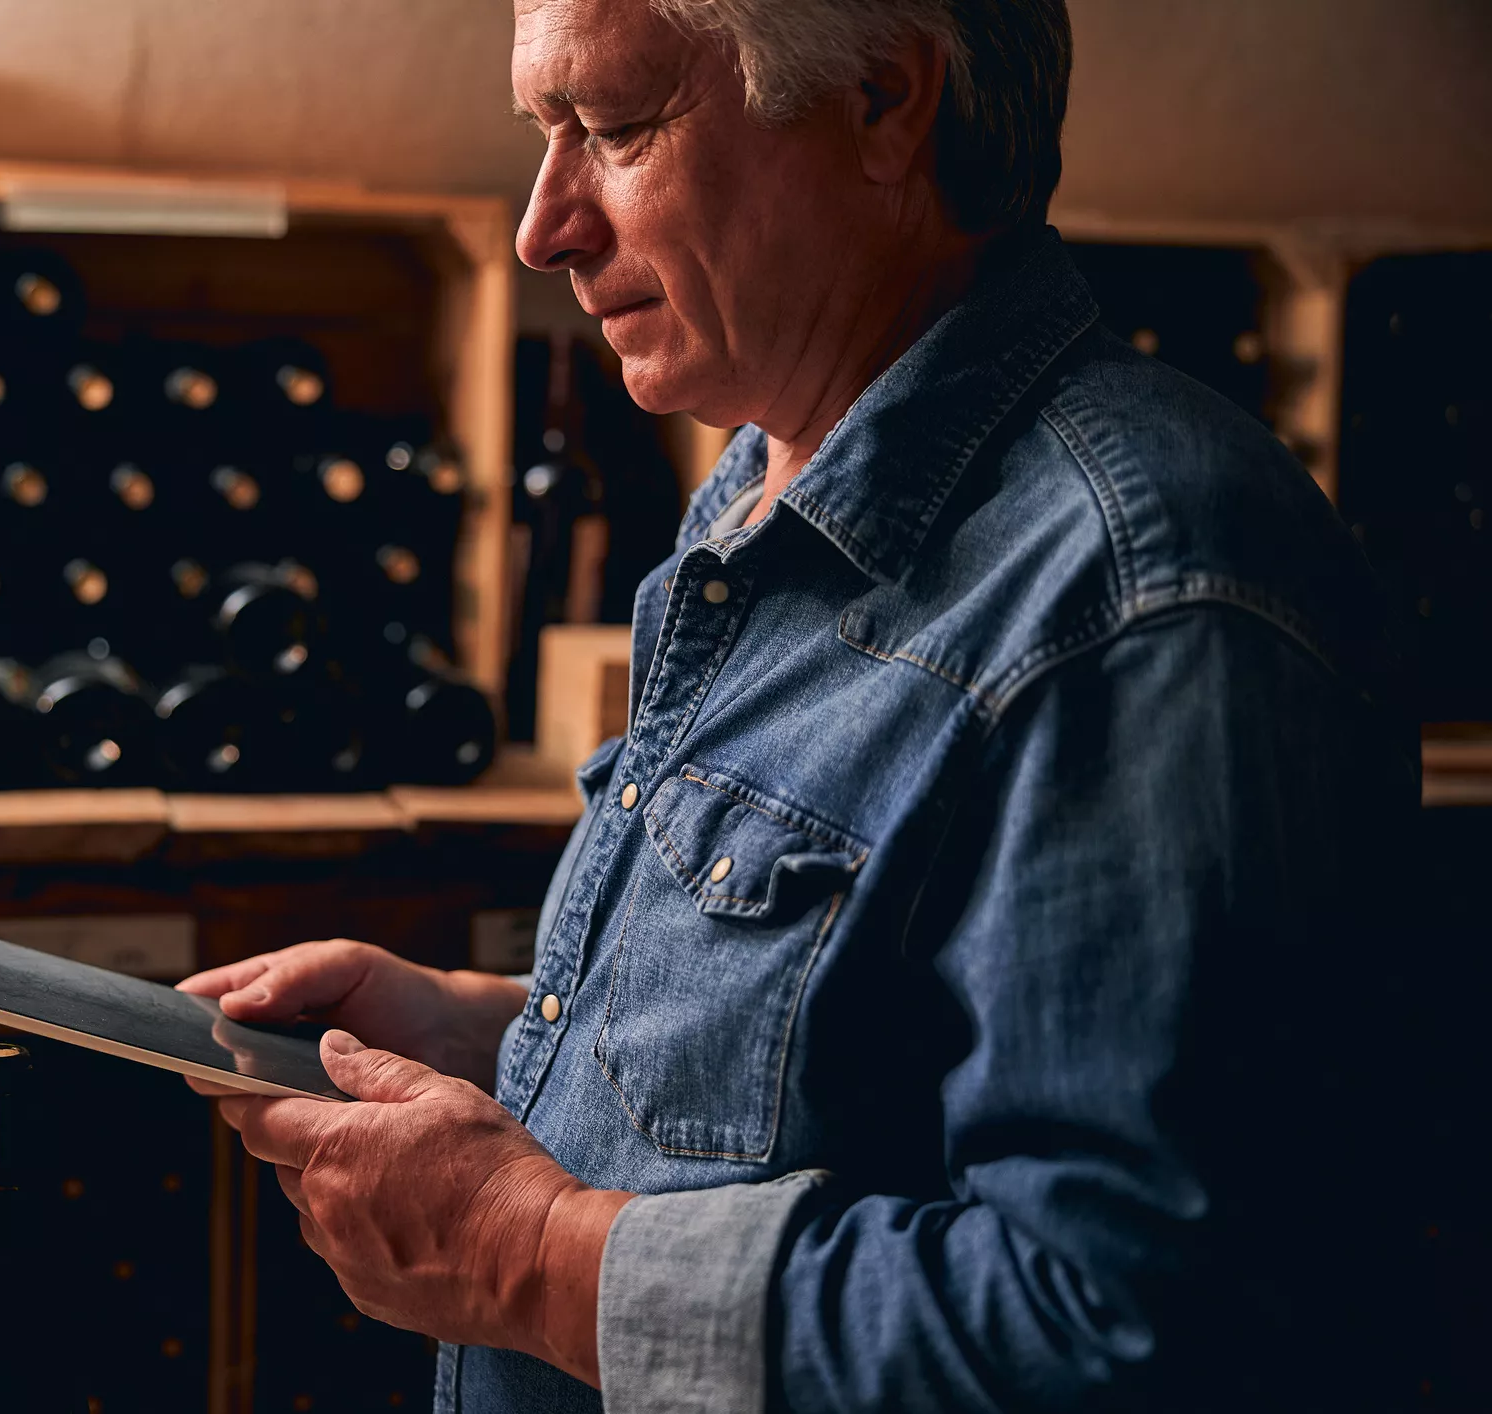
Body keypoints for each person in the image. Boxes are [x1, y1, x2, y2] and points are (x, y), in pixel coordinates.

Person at [180, 0, 1420, 1408]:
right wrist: (508, 1037)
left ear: (887, 101)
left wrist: (523, 1250)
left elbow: (1127, 1331)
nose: (543, 227)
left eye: (618, 125)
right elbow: (870, 1054)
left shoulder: (1149, 607)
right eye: (546, 133)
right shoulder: (771, 476)